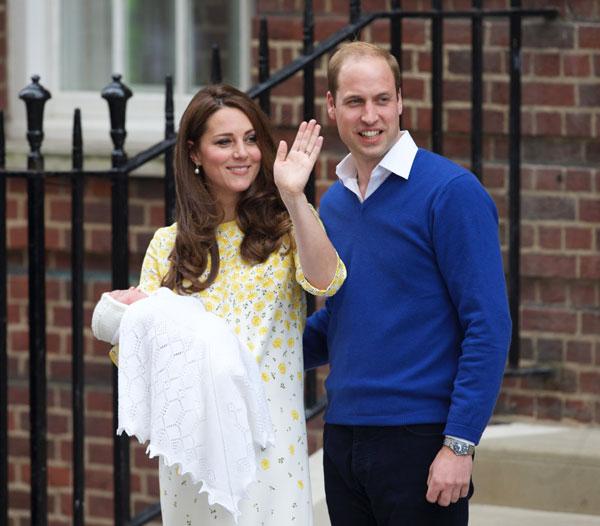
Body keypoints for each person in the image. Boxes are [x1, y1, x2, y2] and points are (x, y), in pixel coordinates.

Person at [94, 84, 346, 525]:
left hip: (273, 451)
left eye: (250, 139)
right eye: (224, 142)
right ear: (195, 152)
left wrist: (294, 196)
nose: (242, 153)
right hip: (195, 458)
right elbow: (141, 356)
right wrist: (121, 315)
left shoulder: (285, 229)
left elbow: (327, 280)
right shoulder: (167, 245)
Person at [303, 41, 512, 526]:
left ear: (400, 100)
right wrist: (244, 347)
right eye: (355, 102)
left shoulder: (450, 193)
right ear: (332, 107)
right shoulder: (334, 204)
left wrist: (459, 443)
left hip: (421, 440)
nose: (369, 115)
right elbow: (341, 319)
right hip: (343, 438)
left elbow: (488, 326)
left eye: (381, 99)